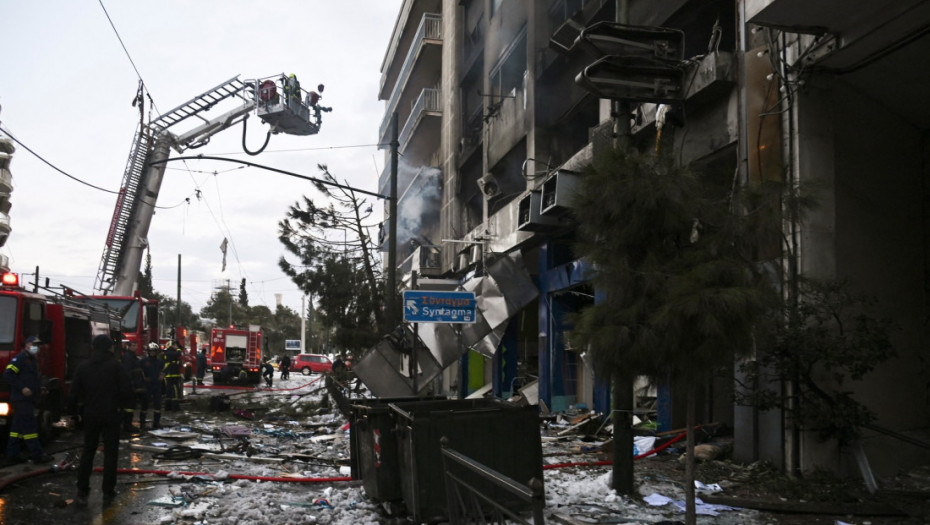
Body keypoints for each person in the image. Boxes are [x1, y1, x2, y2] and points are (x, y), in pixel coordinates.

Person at [67, 335, 132, 505]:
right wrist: (125, 412)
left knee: (88, 450)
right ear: (108, 348)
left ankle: (82, 487)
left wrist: (74, 414)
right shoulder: (116, 366)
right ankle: (108, 490)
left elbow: (73, 393)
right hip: (111, 415)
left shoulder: (83, 367)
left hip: (90, 415)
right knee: (111, 453)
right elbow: (127, 390)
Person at [2, 336, 54, 465]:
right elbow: (8, 374)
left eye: (38, 345)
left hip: (27, 399)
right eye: (34, 344)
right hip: (22, 399)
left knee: (16, 429)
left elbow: (31, 379)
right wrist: (22, 388)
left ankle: (12, 455)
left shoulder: (32, 360)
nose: (37, 347)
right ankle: (37, 455)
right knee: (30, 428)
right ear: (27, 345)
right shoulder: (20, 359)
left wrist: (39, 389)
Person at [120, 341, 145, 434]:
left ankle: (127, 424)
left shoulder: (132, 356)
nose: (136, 346)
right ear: (129, 346)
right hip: (130, 386)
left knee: (131, 406)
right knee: (129, 406)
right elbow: (128, 372)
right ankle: (127, 425)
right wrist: (132, 384)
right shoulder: (128, 357)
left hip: (134, 385)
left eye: (136, 344)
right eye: (134, 345)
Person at [139, 343, 164, 430]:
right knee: (144, 405)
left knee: (157, 405)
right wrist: (143, 378)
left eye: (154, 351)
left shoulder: (160, 362)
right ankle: (142, 423)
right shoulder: (143, 361)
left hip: (157, 385)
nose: (152, 353)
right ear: (148, 351)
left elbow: (163, 371)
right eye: (151, 351)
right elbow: (140, 371)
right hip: (147, 385)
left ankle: (156, 423)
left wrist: (162, 375)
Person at [162, 341, 182, 411]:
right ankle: (175, 407)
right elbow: (178, 354)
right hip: (173, 374)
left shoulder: (166, 353)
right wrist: (179, 349)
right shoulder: (170, 352)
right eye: (175, 345)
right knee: (175, 390)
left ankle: (168, 407)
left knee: (169, 391)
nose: (176, 347)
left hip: (169, 374)